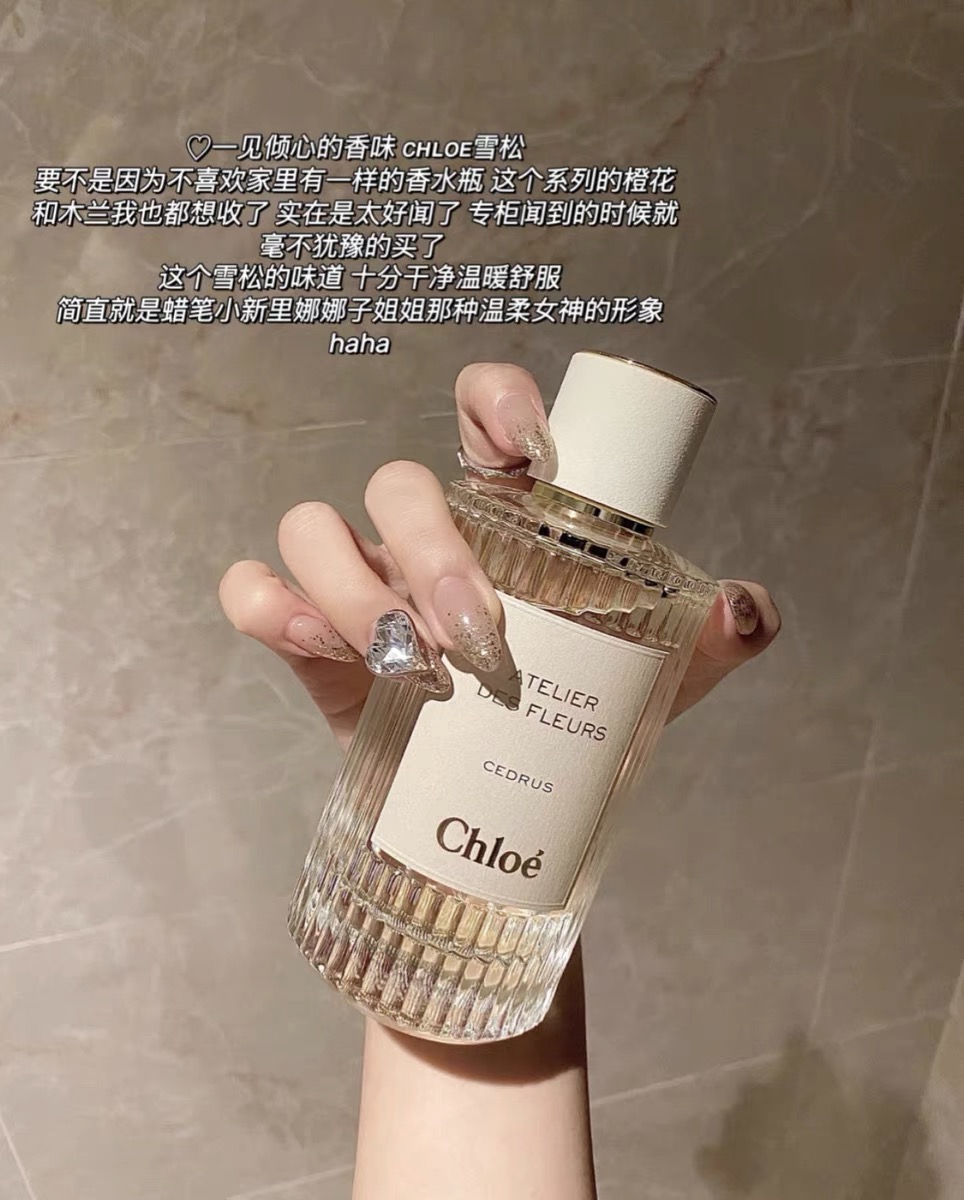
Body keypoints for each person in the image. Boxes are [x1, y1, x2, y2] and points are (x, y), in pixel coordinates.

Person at [219, 361, 781, 1199]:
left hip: (505, 974)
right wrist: (387, 732)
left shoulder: (673, 598)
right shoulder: (491, 527)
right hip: (401, 912)